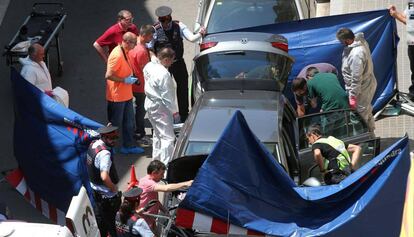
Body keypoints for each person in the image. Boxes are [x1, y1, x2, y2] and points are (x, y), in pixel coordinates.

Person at [149, 6, 206, 122]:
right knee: (165, 90)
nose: (164, 24)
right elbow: (149, 47)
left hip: (178, 62)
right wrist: (154, 59)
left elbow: (191, 38)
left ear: (170, 18)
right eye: (162, 21)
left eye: (166, 21)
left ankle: (184, 115)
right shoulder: (154, 29)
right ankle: (167, 115)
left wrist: (201, 33)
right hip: (163, 66)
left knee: (183, 88)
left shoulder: (179, 25)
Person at [105, 32, 144, 154]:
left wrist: (129, 78)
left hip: (126, 94)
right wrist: (124, 80)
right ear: (127, 42)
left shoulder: (125, 51)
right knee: (116, 124)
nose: (135, 46)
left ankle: (128, 146)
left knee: (129, 123)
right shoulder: (117, 55)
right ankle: (110, 147)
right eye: (134, 44)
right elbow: (108, 75)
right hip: (117, 96)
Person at [337, 28, 377, 132]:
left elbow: (356, 77)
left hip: (361, 88)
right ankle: (371, 138)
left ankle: (362, 142)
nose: (341, 44)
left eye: (341, 42)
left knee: (359, 117)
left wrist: (353, 95)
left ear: (347, 40)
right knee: (366, 111)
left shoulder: (356, 54)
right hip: (363, 85)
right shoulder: (360, 43)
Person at [143, 47, 178, 165]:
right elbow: (167, 97)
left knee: (158, 135)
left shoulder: (148, 66)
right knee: (168, 138)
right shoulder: (164, 74)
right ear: (167, 59)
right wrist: (174, 112)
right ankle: (165, 167)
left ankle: (156, 162)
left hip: (150, 104)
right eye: (172, 60)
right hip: (160, 107)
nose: (173, 63)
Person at [87, 125, 122, 237]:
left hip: (96, 193)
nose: (114, 141)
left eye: (116, 138)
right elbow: (104, 177)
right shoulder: (105, 154)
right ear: (104, 137)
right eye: (111, 139)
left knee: (101, 222)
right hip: (107, 197)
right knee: (113, 225)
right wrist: (113, 188)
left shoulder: (94, 144)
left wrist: (107, 128)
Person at [138, 160, 193, 230]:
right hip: (145, 219)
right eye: (161, 174)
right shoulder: (147, 183)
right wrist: (186, 183)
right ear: (154, 173)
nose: (163, 177)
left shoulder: (149, 181)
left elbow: (154, 200)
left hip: (151, 218)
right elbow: (166, 188)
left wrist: (165, 211)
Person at [129, 25, 155, 145]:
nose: (152, 38)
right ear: (144, 35)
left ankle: (135, 131)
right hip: (141, 85)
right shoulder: (141, 51)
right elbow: (146, 69)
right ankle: (140, 134)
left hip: (134, 83)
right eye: (150, 36)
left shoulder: (134, 44)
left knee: (136, 108)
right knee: (141, 110)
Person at [389, 3, 414, 98]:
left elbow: (411, 24)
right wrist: (396, 12)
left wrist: (395, 15)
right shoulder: (411, 3)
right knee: (413, 69)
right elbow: (405, 16)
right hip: (412, 42)